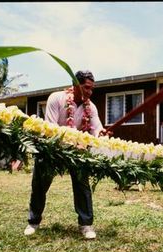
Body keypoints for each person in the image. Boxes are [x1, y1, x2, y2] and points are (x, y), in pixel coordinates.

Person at [24, 70, 110, 239]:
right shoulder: (56, 98)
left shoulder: (90, 106)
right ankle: (33, 222)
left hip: (77, 152)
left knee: (82, 185)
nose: (90, 92)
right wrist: (71, 141)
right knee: (39, 185)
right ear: (75, 85)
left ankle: (86, 225)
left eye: (92, 89)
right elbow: (51, 128)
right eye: (86, 88)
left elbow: (96, 126)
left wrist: (101, 133)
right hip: (51, 148)